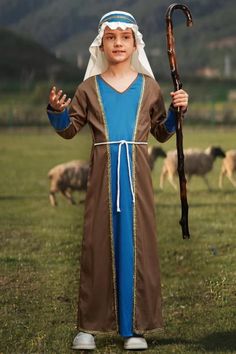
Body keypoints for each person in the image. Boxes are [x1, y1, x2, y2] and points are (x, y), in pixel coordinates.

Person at [47, 10, 188, 351]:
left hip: (137, 177)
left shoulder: (150, 87)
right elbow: (69, 130)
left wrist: (175, 112)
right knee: (96, 244)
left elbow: (161, 132)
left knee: (136, 245)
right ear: (101, 45)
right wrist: (57, 112)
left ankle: (134, 327)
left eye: (125, 37)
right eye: (111, 38)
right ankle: (88, 328)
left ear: (136, 43)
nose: (119, 43)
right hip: (102, 177)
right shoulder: (88, 88)